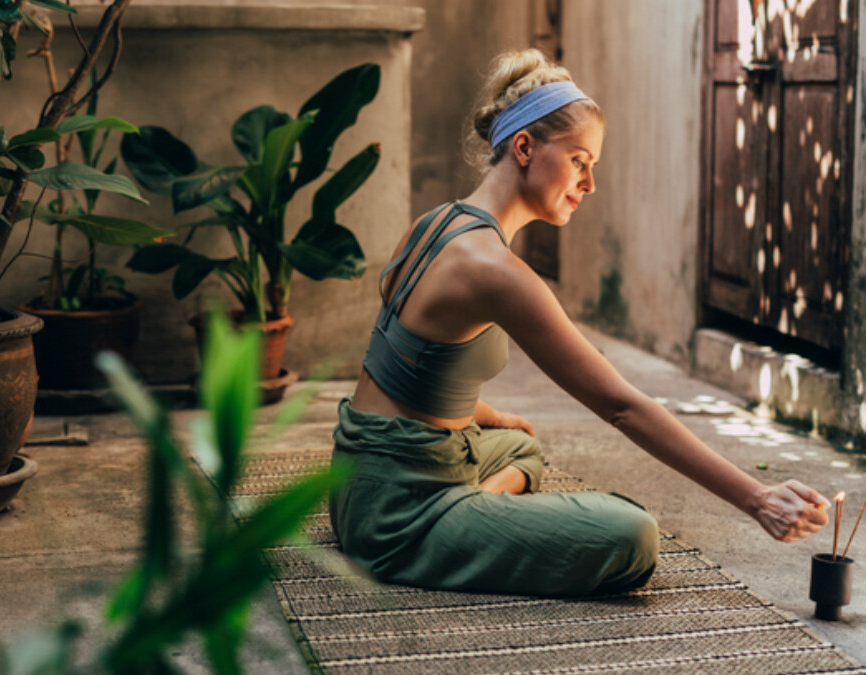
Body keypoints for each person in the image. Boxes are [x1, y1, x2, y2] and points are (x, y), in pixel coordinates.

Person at [328, 49, 830, 597]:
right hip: (396, 517)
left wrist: (487, 414)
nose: (589, 183)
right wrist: (757, 499)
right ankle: (456, 521)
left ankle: (472, 512)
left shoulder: (437, 223)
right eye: (578, 160)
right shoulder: (498, 272)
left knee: (522, 446)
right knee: (632, 535)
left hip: (354, 476)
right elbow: (622, 406)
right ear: (524, 148)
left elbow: (400, 359)